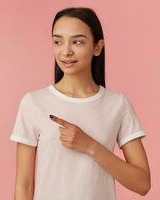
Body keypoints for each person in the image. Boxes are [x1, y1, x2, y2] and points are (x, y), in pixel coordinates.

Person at [9, 7, 151, 200]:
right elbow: (24, 186)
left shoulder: (118, 104)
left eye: (77, 42)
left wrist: (91, 146)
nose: (66, 51)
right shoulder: (34, 102)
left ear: (97, 47)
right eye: (58, 41)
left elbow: (142, 184)